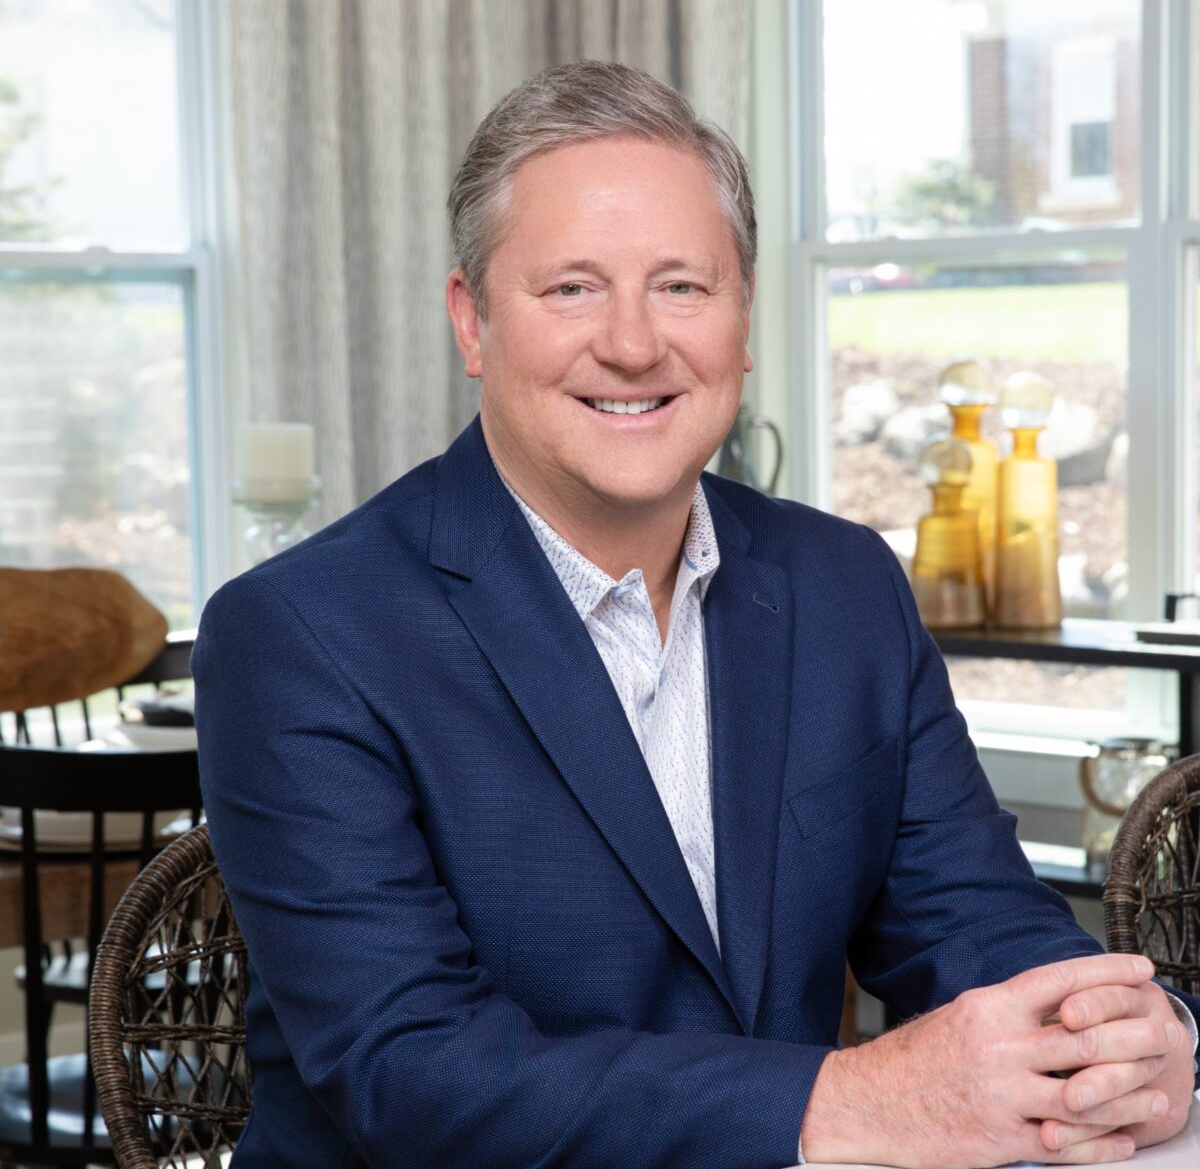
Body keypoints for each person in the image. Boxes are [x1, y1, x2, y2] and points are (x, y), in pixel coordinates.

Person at [193, 61, 1199, 1169]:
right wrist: (858, 1099)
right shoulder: (302, 634)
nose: (634, 344)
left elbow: (971, 920)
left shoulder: (845, 584)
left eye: (682, 285)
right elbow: (412, 1071)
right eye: (572, 287)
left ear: (743, 318)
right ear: (471, 321)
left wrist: (1122, 1042)